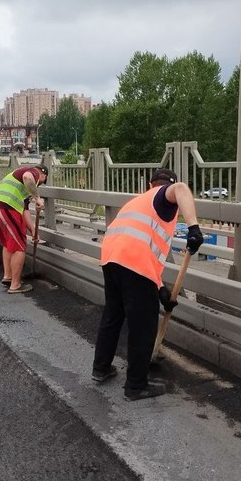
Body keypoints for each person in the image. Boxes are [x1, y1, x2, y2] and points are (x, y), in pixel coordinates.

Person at [91, 169, 204, 401]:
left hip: (111, 258)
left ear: (150, 184)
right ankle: (135, 386)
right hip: (133, 264)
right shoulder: (164, 196)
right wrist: (193, 227)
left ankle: (100, 369)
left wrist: (160, 288)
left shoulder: (138, 201)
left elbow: (144, 247)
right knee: (143, 325)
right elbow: (182, 189)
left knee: (112, 316)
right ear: (164, 186)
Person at [0, 164, 48, 294]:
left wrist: (33, 231)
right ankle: (15, 285)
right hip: (7, 208)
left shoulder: (20, 183)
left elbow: (25, 210)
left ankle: (8, 276)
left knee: (8, 244)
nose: (40, 184)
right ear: (43, 174)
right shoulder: (33, 172)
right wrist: (37, 198)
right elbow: (28, 177)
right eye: (43, 181)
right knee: (20, 246)